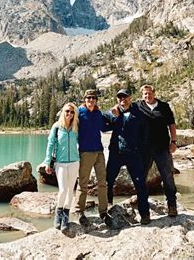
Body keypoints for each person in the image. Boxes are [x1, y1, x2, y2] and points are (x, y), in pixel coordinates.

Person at [104, 89, 151, 224]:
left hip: (133, 154)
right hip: (116, 153)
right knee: (108, 181)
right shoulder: (113, 112)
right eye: (120, 97)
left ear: (130, 98)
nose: (122, 99)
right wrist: (112, 114)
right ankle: (108, 208)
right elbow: (101, 124)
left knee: (140, 184)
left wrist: (142, 150)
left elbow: (145, 133)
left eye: (125, 96)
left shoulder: (139, 113)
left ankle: (145, 214)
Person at [137, 84, 178, 217]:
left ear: (154, 93)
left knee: (168, 177)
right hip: (144, 149)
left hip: (162, 148)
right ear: (142, 95)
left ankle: (172, 206)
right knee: (141, 178)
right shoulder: (138, 107)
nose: (147, 96)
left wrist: (173, 141)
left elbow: (171, 124)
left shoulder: (164, 106)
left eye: (149, 93)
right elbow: (123, 110)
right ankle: (143, 208)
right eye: (145, 94)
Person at [74, 89, 112, 227]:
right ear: (84, 99)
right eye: (88, 98)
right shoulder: (79, 112)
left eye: (93, 98)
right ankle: (79, 211)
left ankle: (103, 212)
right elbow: (71, 128)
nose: (91, 100)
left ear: (96, 100)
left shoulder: (98, 113)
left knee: (102, 183)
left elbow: (103, 128)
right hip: (85, 152)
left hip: (99, 152)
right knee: (83, 183)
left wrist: (118, 121)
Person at [44, 102, 80, 231]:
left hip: (74, 162)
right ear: (63, 112)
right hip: (60, 163)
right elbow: (50, 144)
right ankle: (58, 215)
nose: (69, 114)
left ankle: (66, 217)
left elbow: (81, 142)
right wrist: (47, 162)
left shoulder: (76, 127)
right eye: (67, 111)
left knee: (71, 191)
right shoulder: (57, 127)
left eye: (72, 112)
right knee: (63, 190)